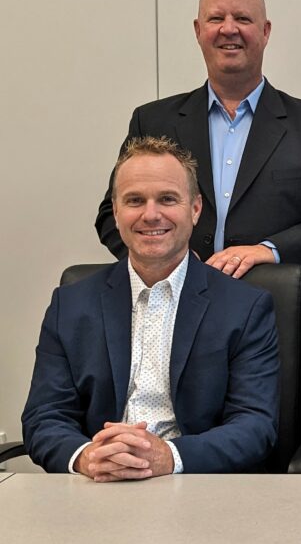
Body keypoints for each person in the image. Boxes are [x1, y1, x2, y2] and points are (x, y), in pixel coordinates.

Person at [94, 0, 301, 437]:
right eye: (217, 18)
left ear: (265, 31)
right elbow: (111, 215)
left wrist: (268, 249)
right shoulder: (153, 120)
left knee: (270, 485)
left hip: (281, 336)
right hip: (168, 330)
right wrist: (169, 263)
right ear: (198, 29)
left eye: (243, 18)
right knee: (159, 465)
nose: (229, 28)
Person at [23, 137, 279, 480]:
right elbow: (44, 416)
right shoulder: (69, 305)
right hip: (98, 487)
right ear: (115, 211)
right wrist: (88, 456)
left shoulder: (245, 308)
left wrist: (168, 457)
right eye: (134, 201)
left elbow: (255, 425)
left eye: (168, 199)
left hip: (197, 488)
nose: (150, 214)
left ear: (195, 208)